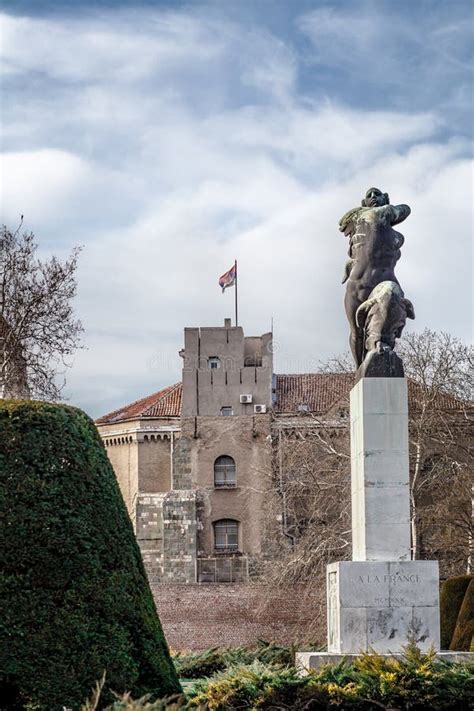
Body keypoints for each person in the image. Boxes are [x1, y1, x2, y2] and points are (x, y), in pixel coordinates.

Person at [339, 188, 411, 367]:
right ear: (364, 203)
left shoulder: (384, 214)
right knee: (356, 332)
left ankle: (380, 348)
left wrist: (384, 207)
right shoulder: (360, 224)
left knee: (388, 304)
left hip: (383, 282)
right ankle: (360, 369)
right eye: (369, 196)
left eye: (376, 194)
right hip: (356, 285)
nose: (373, 197)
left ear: (384, 198)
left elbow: (405, 209)